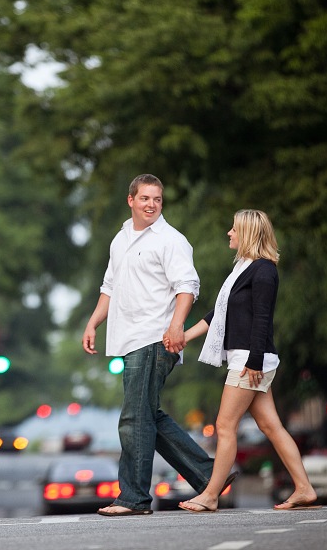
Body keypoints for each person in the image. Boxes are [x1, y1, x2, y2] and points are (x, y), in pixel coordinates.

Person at [82, 173, 228, 516]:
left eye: (157, 199)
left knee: (134, 418)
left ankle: (133, 497)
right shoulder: (120, 239)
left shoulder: (170, 240)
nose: (151, 205)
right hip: (128, 338)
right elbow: (109, 287)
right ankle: (208, 476)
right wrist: (92, 323)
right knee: (147, 415)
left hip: (155, 336)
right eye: (145, 198)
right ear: (131, 200)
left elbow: (188, 285)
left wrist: (177, 325)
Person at [177, 209, 319, 513]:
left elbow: (262, 320)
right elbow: (220, 316)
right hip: (250, 358)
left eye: (234, 229)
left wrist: (254, 361)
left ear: (249, 234)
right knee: (271, 426)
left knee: (225, 425)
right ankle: (304, 488)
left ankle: (211, 494)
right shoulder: (243, 269)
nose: (229, 233)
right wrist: (184, 337)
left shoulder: (264, 271)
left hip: (251, 360)